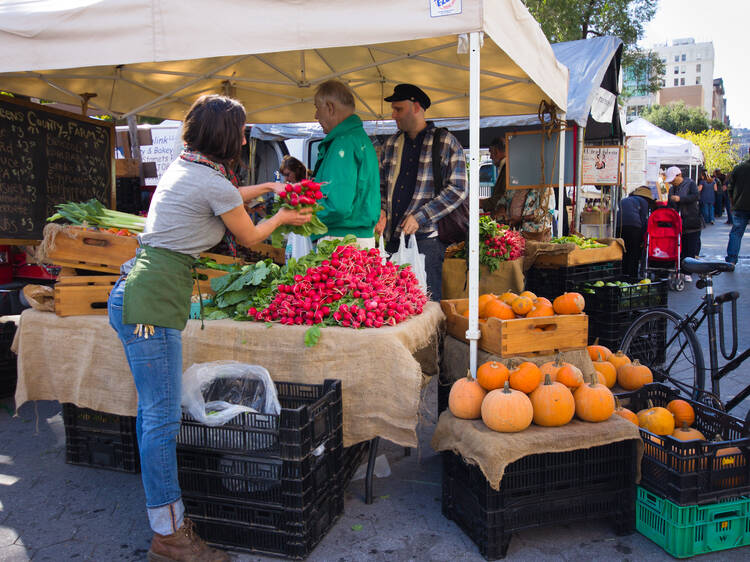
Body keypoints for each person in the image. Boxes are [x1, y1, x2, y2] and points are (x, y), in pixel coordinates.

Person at [107, 94, 311, 562]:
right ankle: (168, 534)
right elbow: (250, 236)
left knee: (153, 416)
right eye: (241, 131)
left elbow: (225, 197)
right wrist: (281, 215)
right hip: (150, 305)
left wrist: (266, 190)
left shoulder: (190, 166)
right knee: (159, 420)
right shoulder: (208, 178)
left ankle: (169, 522)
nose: (244, 138)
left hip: (141, 292)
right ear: (226, 135)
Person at [375, 83, 468, 301]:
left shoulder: (445, 142)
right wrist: (380, 210)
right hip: (391, 239)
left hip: (426, 240)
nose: (393, 115)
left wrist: (421, 216)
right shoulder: (391, 144)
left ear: (416, 107)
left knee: (427, 304)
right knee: (393, 304)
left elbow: (458, 188)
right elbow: (381, 185)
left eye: (398, 109)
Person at [311, 80, 381, 248]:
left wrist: (304, 214)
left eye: (317, 108)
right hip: (358, 239)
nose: (316, 116)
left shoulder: (343, 143)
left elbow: (338, 206)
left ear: (330, 107)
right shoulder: (360, 139)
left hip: (340, 241)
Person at [666, 166, 701, 279]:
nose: (672, 182)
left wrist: (681, 199)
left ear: (679, 175)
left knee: (690, 247)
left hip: (691, 221)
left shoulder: (690, 184)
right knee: (679, 247)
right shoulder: (672, 189)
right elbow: (670, 204)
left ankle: (688, 272)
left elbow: (695, 197)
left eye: (673, 179)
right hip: (678, 223)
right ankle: (680, 269)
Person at [617, 186, 655, 277]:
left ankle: (622, 273)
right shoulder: (644, 202)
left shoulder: (625, 200)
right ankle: (632, 275)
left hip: (619, 226)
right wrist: (643, 237)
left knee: (623, 250)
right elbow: (643, 220)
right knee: (634, 251)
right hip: (634, 227)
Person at [725, 151, 750, 264]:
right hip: (740, 205)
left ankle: (731, 260)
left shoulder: (739, 168)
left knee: (736, 233)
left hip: (740, 206)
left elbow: (730, 188)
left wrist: (732, 203)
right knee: (736, 233)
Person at [480, 137, 506, 213]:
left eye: (491, 152)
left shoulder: (507, 168)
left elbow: (502, 197)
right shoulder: (505, 167)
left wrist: (480, 203)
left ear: (496, 151)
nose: (491, 157)